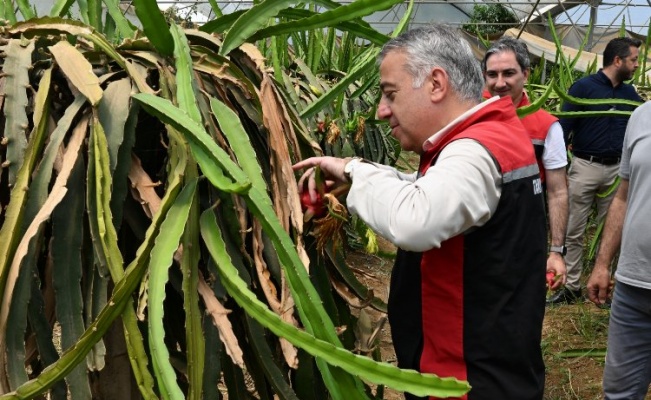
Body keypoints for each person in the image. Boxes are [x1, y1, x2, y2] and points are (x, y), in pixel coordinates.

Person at [294, 25, 547, 400]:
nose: (382, 111)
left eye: (390, 94)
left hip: (464, 382)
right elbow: (429, 187)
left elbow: (415, 221)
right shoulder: (491, 137)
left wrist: (353, 171)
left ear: (435, 84)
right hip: (494, 361)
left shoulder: (475, 150)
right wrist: (359, 173)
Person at [548, 37, 643, 305]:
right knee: (574, 228)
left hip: (617, 172)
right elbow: (563, 128)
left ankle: (604, 288)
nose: (636, 64)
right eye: (633, 59)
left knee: (611, 232)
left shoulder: (630, 95)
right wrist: (561, 168)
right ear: (617, 61)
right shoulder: (583, 88)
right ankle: (571, 287)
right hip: (584, 166)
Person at [482, 37, 568, 291]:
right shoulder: (468, 115)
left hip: (524, 237)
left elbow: (558, 191)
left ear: (526, 74)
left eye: (509, 73)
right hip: (474, 236)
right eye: (492, 74)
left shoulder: (546, 126)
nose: (500, 83)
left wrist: (556, 251)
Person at [586, 101, 651, 399]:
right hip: (632, 289)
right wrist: (602, 264)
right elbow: (623, 196)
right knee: (619, 393)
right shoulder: (641, 116)